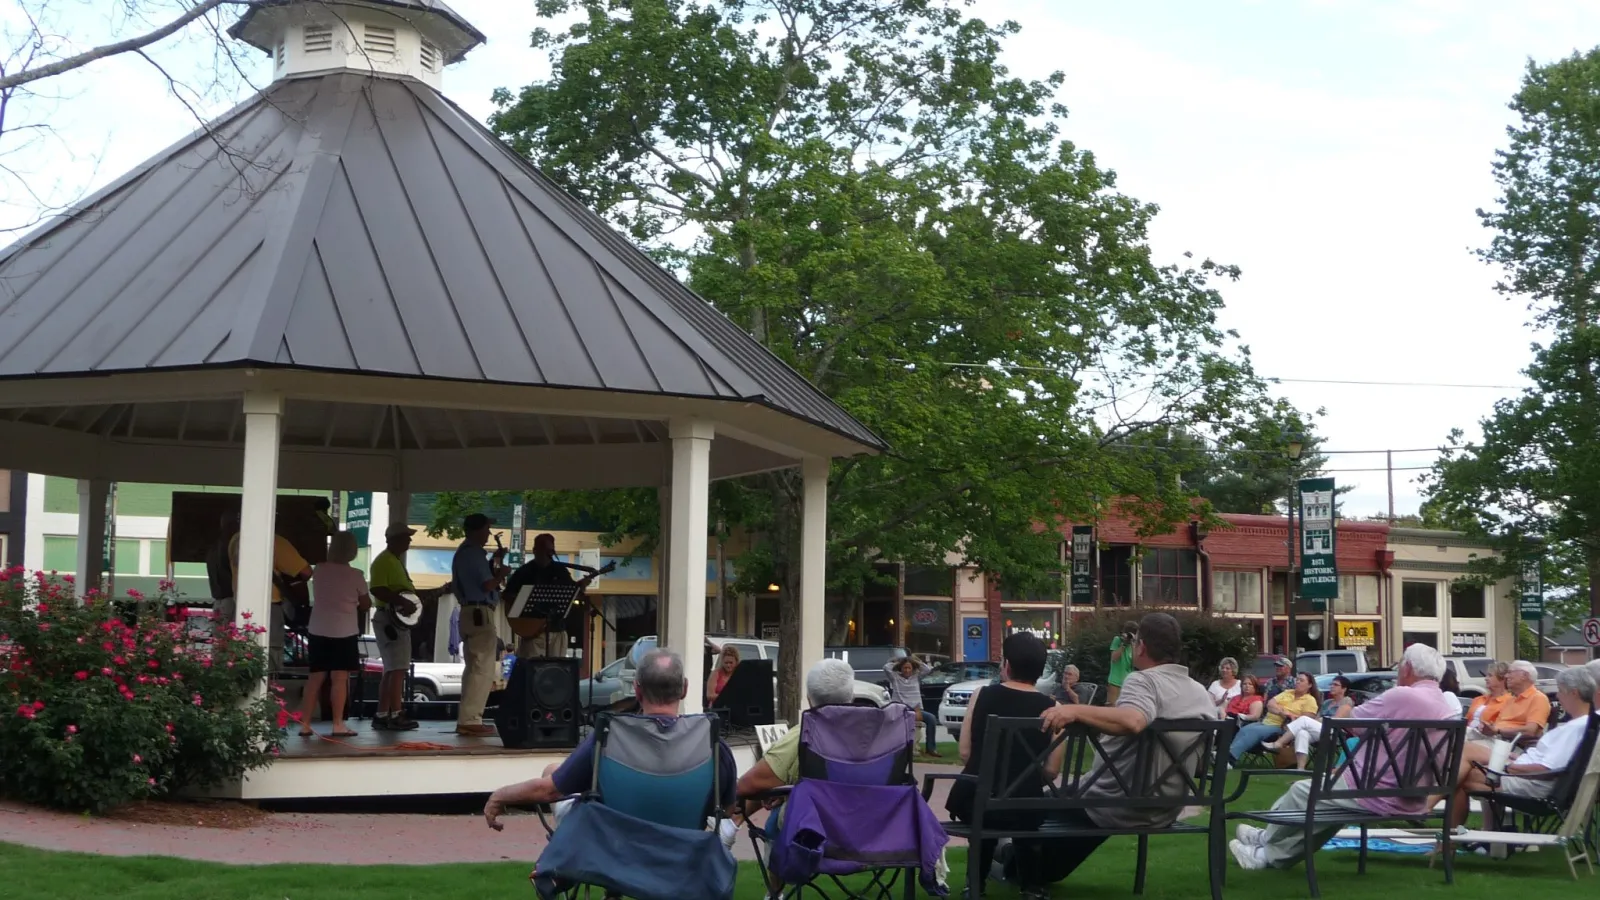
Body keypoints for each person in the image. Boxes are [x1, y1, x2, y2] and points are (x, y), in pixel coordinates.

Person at [1017, 613, 1215, 893]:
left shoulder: (1142, 681)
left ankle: (1007, 865)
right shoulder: (1199, 692)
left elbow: (1134, 720)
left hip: (1114, 803)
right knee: (1049, 828)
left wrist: (1072, 709)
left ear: (1141, 646)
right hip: (1166, 806)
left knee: (1024, 805)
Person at [1230, 642, 1459, 871]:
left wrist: (1348, 704)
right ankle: (1268, 854)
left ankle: (1266, 840)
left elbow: (1353, 724)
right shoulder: (1446, 705)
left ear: (1407, 668)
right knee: (1327, 810)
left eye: (1400, 665)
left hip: (1376, 790)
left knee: (1302, 792)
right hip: (1414, 795)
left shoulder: (1403, 696)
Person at [484, 648, 737, 830]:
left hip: (616, 859)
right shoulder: (712, 744)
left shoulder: (608, 736)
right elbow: (725, 810)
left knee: (554, 773)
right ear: (684, 689)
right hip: (685, 856)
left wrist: (500, 795)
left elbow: (549, 791)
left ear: (636, 689)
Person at [945, 632, 1061, 899]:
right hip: (1026, 807)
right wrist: (1020, 784)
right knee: (1023, 807)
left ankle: (974, 885)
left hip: (976, 804)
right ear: (1040, 670)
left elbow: (965, 753)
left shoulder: (981, 695)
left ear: (1006, 666)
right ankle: (1031, 887)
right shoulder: (1054, 707)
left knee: (985, 805)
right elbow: (1052, 770)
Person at [1443, 665, 1596, 831]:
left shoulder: (1574, 728)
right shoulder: (1584, 725)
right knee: (1466, 754)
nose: (1558, 696)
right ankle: (1484, 840)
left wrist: (1508, 767)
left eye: (1560, 690)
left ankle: (1445, 834)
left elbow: (1546, 768)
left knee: (1461, 776)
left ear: (1574, 693)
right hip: (1525, 769)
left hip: (1532, 783)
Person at [298, 532, 369, 738]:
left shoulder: (319, 570)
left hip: (318, 628)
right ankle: (338, 724)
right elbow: (365, 604)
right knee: (339, 678)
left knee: (315, 678)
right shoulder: (356, 575)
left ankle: (305, 724)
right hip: (344, 630)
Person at [453, 513, 510, 737]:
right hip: (480, 612)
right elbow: (487, 584)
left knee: (473, 667)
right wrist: (501, 574)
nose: (488, 533)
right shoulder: (475, 553)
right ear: (477, 530)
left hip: (468, 611)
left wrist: (493, 561)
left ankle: (467, 718)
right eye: (486, 529)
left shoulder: (462, 553)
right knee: (482, 669)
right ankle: (471, 720)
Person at [501, 533, 600, 658]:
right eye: (544, 550)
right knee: (533, 672)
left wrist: (582, 586)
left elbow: (573, 594)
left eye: (550, 551)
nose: (548, 554)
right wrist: (523, 609)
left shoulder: (560, 571)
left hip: (557, 630)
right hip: (533, 632)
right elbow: (507, 595)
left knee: (555, 671)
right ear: (535, 550)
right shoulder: (524, 572)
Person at [228, 529, 312, 673]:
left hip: (241, 605)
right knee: (269, 660)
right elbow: (306, 571)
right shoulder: (275, 541)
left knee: (241, 659)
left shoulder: (236, 538)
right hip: (269, 607)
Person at [368, 523, 424, 731]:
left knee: (391, 669)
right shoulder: (385, 561)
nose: (409, 540)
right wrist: (402, 602)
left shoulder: (393, 561)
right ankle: (396, 714)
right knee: (398, 668)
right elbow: (377, 589)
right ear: (394, 539)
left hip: (392, 619)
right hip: (391, 620)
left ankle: (383, 714)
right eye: (406, 537)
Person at [1230, 671, 1320, 763]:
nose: (1297, 682)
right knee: (1244, 730)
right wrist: (1281, 712)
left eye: (1301, 680)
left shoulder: (1310, 700)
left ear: (1309, 685)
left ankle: (1230, 759)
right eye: (1297, 679)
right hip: (1266, 721)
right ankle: (1228, 755)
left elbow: (1304, 720)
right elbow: (1270, 704)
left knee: (1254, 731)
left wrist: (1287, 714)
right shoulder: (1288, 692)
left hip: (1282, 728)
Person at [1266, 675, 1355, 769]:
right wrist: (1316, 721)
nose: (1332, 686)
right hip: (1321, 730)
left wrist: (1319, 720)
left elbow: (1336, 719)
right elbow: (1315, 719)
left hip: (1335, 733)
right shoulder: (1327, 702)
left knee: (1304, 719)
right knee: (1302, 733)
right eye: (1331, 684)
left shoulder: (1346, 701)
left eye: (1336, 685)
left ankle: (1279, 743)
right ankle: (1300, 768)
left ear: (1344, 689)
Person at [884, 652, 940, 756]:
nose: (907, 670)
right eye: (904, 668)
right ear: (901, 668)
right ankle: (894, 749)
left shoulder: (916, 676)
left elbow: (927, 669)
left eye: (909, 668)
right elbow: (886, 667)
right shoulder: (895, 677)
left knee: (931, 719)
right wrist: (900, 660)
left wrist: (914, 660)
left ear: (912, 669)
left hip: (916, 710)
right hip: (900, 710)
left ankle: (931, 749)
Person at [1486, 660, 1552, 742]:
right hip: (1496, 740)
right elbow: (1499, 724)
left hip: (1512, 745)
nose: (1506, 676)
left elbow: (1530, 731)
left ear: (1524, 675)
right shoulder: (1511, 700)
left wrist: (1498, 731)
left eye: (1510, 672)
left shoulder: (1538, 698)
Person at [205, 509, 239, 635]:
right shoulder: (229, 546)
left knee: (220, 642)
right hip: (229, 599)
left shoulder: (214, 547)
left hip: (219, 600)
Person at [1464, 661, 1512, 742]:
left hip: (1489, 740)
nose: (1485, 678)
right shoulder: (1478, 699)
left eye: (1490, 675)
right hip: (1468, 736)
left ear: (1502, 679)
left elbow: (1499, 728)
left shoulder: (1509, 701)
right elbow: (1466, 721)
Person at [1107, 621, 1137, 704]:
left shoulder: (1134, 644)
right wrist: (1123, 644)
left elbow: (1135, 663)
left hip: (1128, 682)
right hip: (1115, 682)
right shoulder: (1117, 640)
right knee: (1112, 708)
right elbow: (1114, 658)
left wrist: (1133, 644)